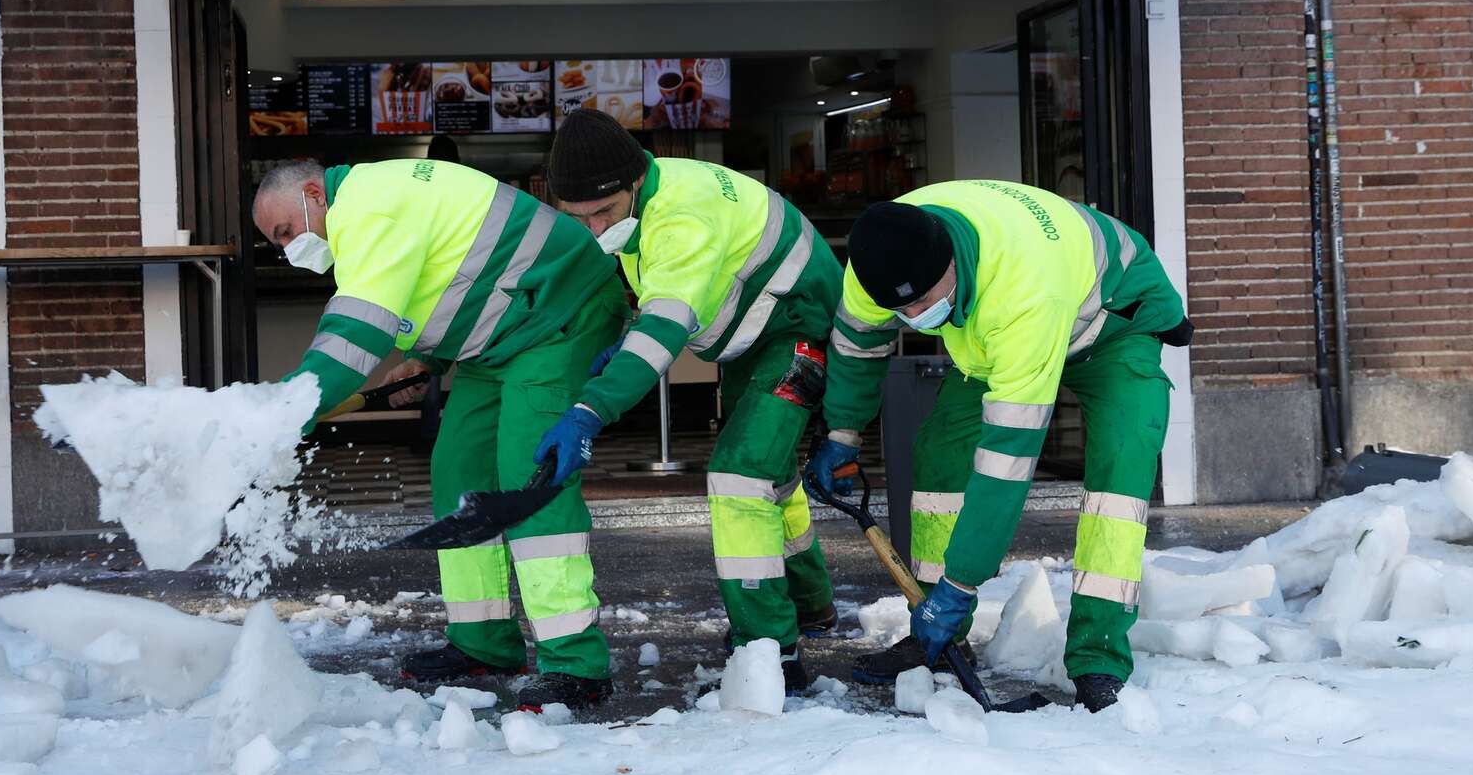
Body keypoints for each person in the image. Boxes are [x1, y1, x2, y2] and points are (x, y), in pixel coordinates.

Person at [252, 157, 626, 710]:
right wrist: (428, 358)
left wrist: (283, 410)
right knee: (459, 471)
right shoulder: (369, 206)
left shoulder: (369, 208)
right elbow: (453, 275)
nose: (289, 248)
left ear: (313, 192)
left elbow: (352, 338)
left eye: (286, 231)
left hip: (557, 316)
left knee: (529, 475)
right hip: (499, 340)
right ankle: (484, 641)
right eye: (277, 243)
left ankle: (576, 664)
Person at [805, 181, 1190, 712]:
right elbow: (857, 343)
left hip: (1111, 323)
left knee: (1120, 473)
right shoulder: (877, 260)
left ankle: (1099, 655)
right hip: (994, 339)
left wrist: (963, 580)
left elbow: (1006, 462)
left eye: (924, 299)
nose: (916, 314)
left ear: (953, 263)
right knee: (941, 448)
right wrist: (841, 432)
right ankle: (937, 632)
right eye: (903, 309)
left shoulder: (1023, 291)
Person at [537, 109, 844, 691]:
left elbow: (667, 328)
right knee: (771, 476)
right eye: (578, 218)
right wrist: (629, 329)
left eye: (603, 212)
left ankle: (768, 649)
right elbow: (657, 295)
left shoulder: (682, 216)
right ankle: (810, 602)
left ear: (633, 182)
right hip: (756, 335)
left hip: (799, 329)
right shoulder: (649, 193)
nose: (595, 229)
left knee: (738, 475)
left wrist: (590, 410)